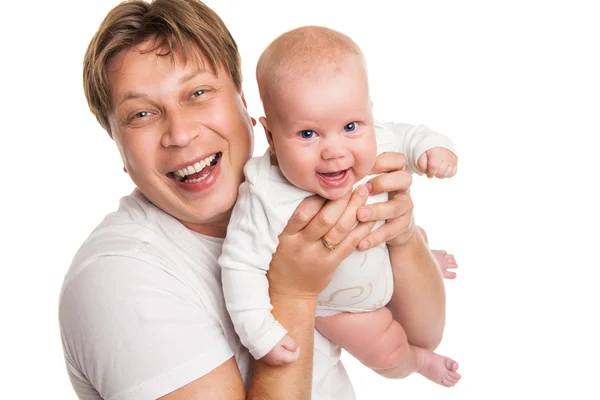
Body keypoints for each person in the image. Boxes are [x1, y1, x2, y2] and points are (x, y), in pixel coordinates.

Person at [58, 0, 448, 399]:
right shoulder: (118, 279)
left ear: (244, 106)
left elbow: (424, 334)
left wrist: (403, 238)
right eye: (141, 115)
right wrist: (293, 294)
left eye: (198, 92)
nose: (180, 133)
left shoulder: (299, 188)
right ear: (118, 149)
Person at [219, 26, 461, 388]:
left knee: (403, 230)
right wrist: (260, 332)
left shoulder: (376, 139)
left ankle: (423, 254)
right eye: (307, 134)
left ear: (368, 113)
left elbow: (410, 135)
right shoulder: (263, 193)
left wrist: (433, 150)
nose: (334, 151)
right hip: (339, 308)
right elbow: (240, 265)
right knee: (387, 353)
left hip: (383, 251)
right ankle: (418, 360)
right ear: (270, 136)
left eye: (350, 125)